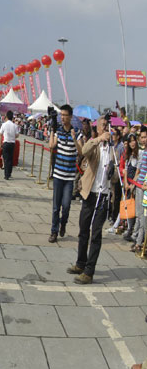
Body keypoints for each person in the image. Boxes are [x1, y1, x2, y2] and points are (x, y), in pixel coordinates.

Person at [67, 115, 115, 284]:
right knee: (83, 229)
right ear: (99, 128)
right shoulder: (95, 144)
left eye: (108, 125)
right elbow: (84, 150)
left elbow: (116, 177)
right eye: (103, 125)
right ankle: (80, 263)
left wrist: (113, 172)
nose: (106, 127)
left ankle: (89, 271)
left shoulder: (114, 149)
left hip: (104, 195)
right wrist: (99, 139)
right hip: (90, 193)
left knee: (95, 234)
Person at [48, 104, 77, 243]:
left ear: (70, 117)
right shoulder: (58, 131)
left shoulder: (76, 132)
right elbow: (51, 145)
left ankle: (63, 223)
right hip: (58, 175)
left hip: (70, 177)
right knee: (55, 207)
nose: (63, 118)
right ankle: (54, 231)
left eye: (65, 115)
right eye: (62, 115)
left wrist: (75, 138)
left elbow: (81, 151)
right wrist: (53, 129)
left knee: (66, 206)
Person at [0, 110, 19, 180]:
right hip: (12, 143)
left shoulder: (4, 124)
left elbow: (0, 134)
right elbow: (17, 135)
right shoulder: (15, 125)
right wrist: (13, 136)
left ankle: (6, 174)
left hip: (6, 143)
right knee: (10, 159)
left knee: (5, 159)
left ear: (6, 116)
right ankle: (9, 173)